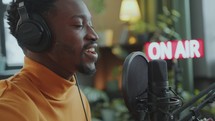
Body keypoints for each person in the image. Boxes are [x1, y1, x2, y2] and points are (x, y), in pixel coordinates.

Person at [0, 0, 99, 121]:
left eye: (91, 24)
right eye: (78, 25)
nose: (94, 35)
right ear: (35, 36)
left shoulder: (79, 98)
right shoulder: (9, 108)